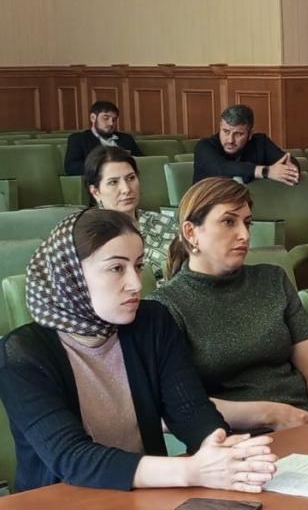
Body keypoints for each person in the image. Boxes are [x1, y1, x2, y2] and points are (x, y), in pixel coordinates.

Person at [0, 209, 276, 492]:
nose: (135, 284)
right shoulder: (22, 354)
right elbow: (72, 458)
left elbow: (190, 409)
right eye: (116, 268)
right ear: (69, 275)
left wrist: (217, 447)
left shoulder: (152, 321)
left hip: (147, 492)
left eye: (138, 265)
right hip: (62, 498)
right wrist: (193, 471)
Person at [150, 177, 308, 432]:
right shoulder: (166, 305)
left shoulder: (272, 280)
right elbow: (172, 409)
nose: (244, 234)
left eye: (247, 223)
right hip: (235, 441)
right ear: (191, 232)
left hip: (305, 427)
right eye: (229, 222)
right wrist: (272, 415)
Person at [83, 146, 177, 283]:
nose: (126, 189)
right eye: (113, 182)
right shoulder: (88, 237)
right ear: (96, 192)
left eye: (131, 178)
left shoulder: (166, 223)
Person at [192, 104, 299, 185]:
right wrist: (266, 171)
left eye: (238, 134)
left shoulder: (260, 143)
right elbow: (222, 168)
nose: (230, 140)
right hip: (206, 205)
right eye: (226, 131)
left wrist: (290, 168)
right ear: (220, 127)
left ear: (250, 134)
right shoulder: (204, 146)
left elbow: (287, 160)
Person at [64, 101, 143, 176]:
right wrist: (105, 168)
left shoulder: (127, 138)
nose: (111, 123)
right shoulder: (79, 139)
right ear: (93, 118)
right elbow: (72, 167)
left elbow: (142, 161)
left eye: (114, 119)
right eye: (106, 118)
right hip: (99, 180)